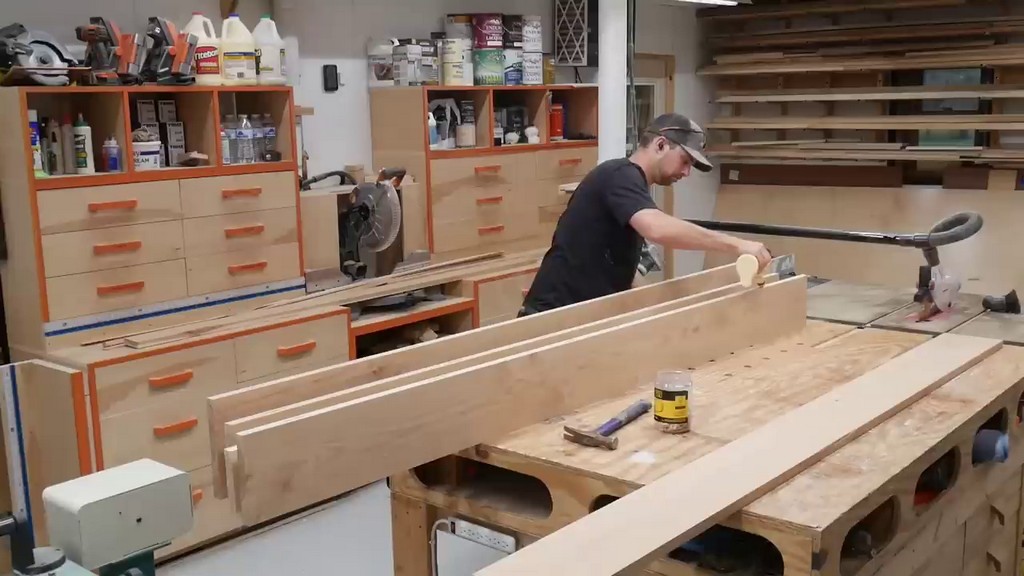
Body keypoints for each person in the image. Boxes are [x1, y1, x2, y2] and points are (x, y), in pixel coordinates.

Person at [519, 113, 771, 317]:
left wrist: (657, 308)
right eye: (685, 161)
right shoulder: (620, 175)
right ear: (660, 145)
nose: (686, 173)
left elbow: (616, 266)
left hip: (582, 318)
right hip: (552, 318)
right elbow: (658, 229)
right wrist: (738, 245)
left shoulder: (631, 188)